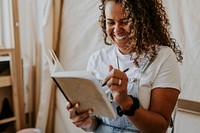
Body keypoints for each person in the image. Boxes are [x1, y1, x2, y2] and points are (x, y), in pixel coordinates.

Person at [66, 0, 183, 132]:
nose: (117, 30)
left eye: (125, 21)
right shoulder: (97, 59)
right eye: (110, 22)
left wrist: (125, 101)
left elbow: (159, 128)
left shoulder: (163, 57)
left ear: (143, 21)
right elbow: (96, 124)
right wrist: (85, 121)